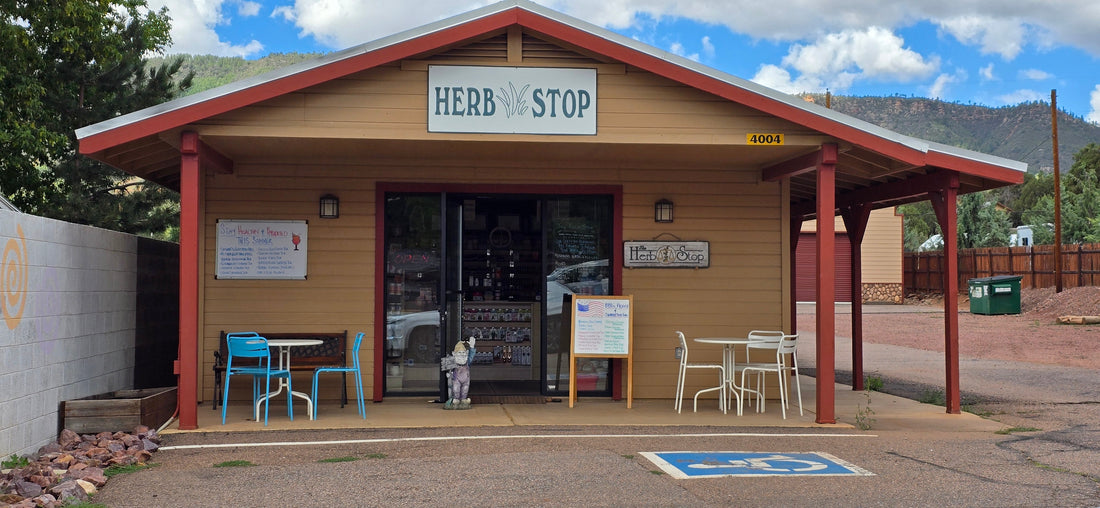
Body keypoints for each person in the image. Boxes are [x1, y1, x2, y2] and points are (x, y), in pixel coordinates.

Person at [444, 338, 475, 409]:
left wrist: (472, 347)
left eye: (463, 353)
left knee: (465, 389)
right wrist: (449, 374)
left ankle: (463, 399)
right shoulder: (453, 361)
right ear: (454, 354)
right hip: (456, 378)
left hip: (466, 378)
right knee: (456, 389)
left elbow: (471, 356)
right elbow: (449, 369)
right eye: (459, 353)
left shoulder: (467, 361)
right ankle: (456, 399)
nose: (462, 355)